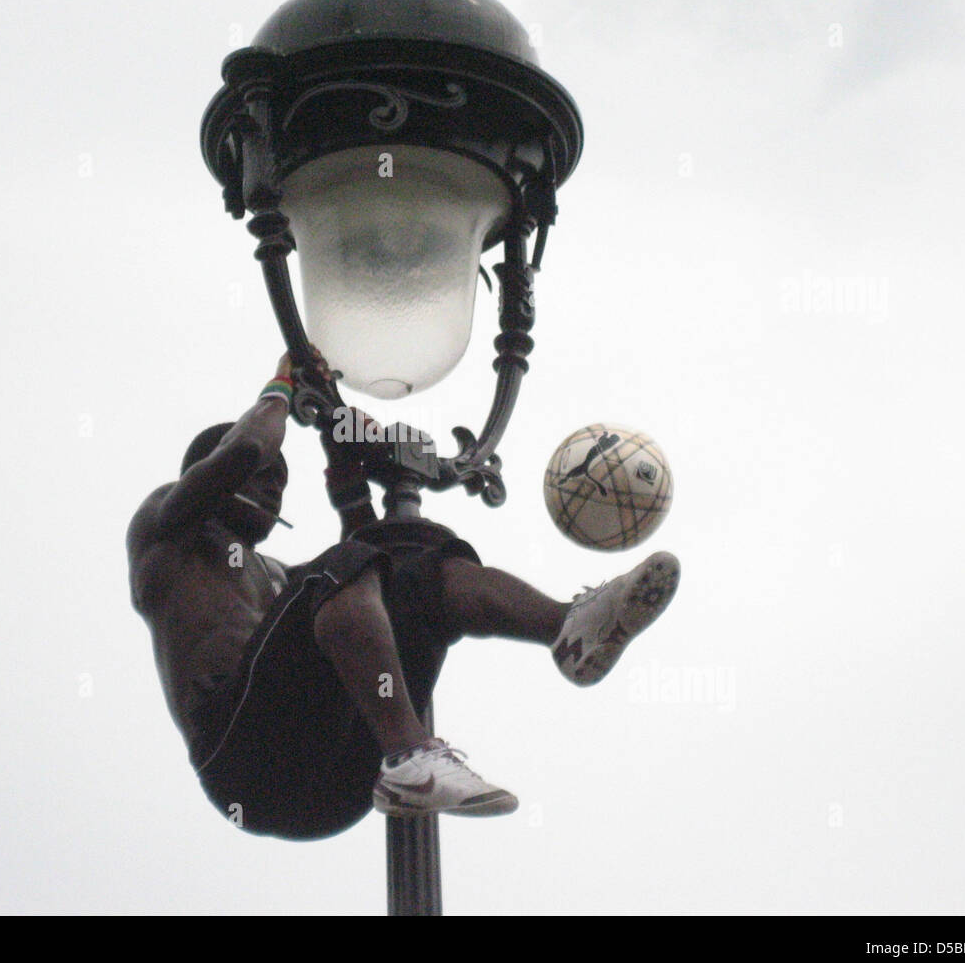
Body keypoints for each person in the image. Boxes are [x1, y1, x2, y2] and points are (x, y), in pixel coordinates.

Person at [126, 353, 680, 840]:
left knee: (417, 564)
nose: (274, 486)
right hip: (242, 760)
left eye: (282, 480)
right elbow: (248, 447)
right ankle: (411, 755)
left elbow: (372, 560)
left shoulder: (283, 578)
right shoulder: (168, 531)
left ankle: (566, 629)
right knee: (346, 570)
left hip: (332, 793)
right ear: (207, 476)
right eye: (266, 475)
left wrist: (344, 456)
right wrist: (283, 387)